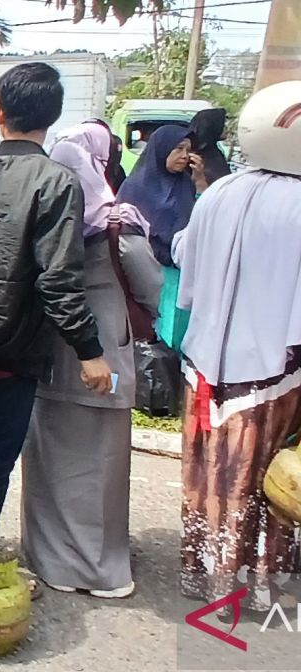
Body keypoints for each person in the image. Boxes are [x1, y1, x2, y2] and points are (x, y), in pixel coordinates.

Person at [0, 62, 113, 569]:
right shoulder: (58, 183)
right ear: (51, 118)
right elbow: (58, 278)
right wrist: (89, 350)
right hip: (14, 346)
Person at [21, 123, 162, 599]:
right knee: (100, 461)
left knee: (49, 461)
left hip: (51, 351)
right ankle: (101, 570)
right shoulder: (118, 225)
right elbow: (153, 290)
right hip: (104, 353)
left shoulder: (43, 220)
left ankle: (49, 561)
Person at [175, 82, 301, 613]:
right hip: (275, 368)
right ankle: (264, 584)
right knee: (272, 478)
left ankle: (206, 576)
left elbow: (186, 260)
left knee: (211, 472)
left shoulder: (222, 191)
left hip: (206, 362)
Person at [116, 124, 209, 352]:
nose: (185, 156)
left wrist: (200, 185)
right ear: (161, 149)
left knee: (180, 339)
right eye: (178, 149)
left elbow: (201, 223)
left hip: (183, 274)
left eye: (188, 150)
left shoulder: (185, 185)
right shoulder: (135, 188)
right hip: (149, 273)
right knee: (154, 339)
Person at [187, 107, 232, 184]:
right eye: (222, 125)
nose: (226, 128)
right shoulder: (197, 157)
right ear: (212, 127)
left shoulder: (213, 151)